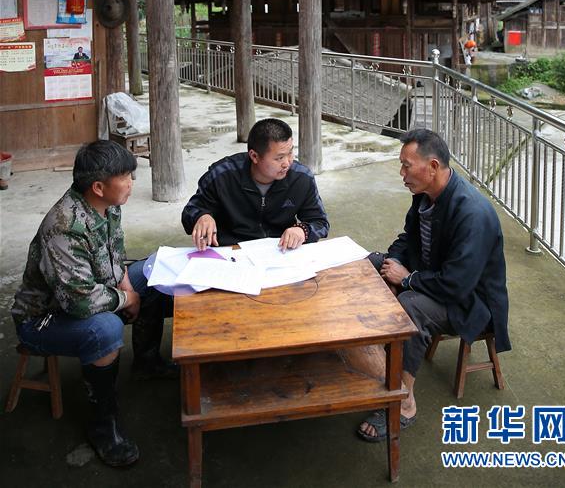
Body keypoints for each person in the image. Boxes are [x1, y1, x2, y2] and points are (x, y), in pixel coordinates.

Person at [11, 140, 174, 468]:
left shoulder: (107, 204)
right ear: (98, 186)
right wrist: (127, 299)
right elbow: (80, 302)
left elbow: (115, 250)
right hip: (43, 318)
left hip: (91, 290)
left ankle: (146, 362)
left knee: (155, 271)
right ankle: (104, 424)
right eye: (126, 177)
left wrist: (129, 286)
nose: (131, 183)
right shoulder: (63, 227)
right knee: (105, 328)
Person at [357, 128, 510, 442]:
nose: (401, 173)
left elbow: (456, 285)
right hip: (435, 276)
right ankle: (376, 347)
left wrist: (408, 280)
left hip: (470, 302)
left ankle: (406, 401)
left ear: (434, 167)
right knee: (370, 264)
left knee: (412, 306)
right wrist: (390, 266)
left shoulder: (472, 214)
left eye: (406, 166)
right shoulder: (425, 195)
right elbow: (407, 239)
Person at [182, 117, 329, 250]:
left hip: (279, 250)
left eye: (290, 153)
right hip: (231, 251)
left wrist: (302, 230)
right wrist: (202, 216)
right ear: (254, 156)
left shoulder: (301, 178)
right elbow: (191, 211)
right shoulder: (222, 175)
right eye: (279, 158)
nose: (287, 163)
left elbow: (320, 222)